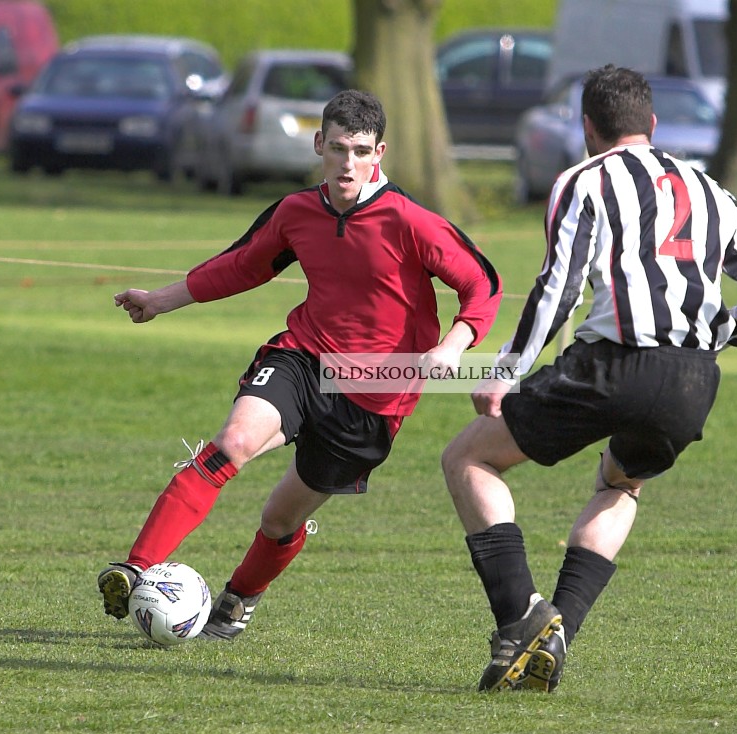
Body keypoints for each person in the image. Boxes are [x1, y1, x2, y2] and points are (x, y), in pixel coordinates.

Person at [441, 65, 737, 692]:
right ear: (652, 124)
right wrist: (716, 337)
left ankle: (523, 616)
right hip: (693, 378)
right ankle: (557, 637)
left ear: (587, 127)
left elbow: (560, 285)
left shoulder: (584, 180)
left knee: (469, 459)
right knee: (622, 484)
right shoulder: (708, 187)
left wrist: (506, 371)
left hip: (613, 361)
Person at [99, 89, 502, 642]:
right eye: (337, 148)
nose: (348, 163)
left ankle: (238, 600)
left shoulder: (410, 221)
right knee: (232, 443)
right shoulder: (298, 212)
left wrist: (456, 342)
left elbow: (483, 283)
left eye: (361, 151)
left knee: (280, 519)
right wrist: (161, 299)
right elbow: (243, 265)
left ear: (380, 152)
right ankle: (135, 567)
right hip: (304, 355)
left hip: (375, 396)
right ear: (319, 144)